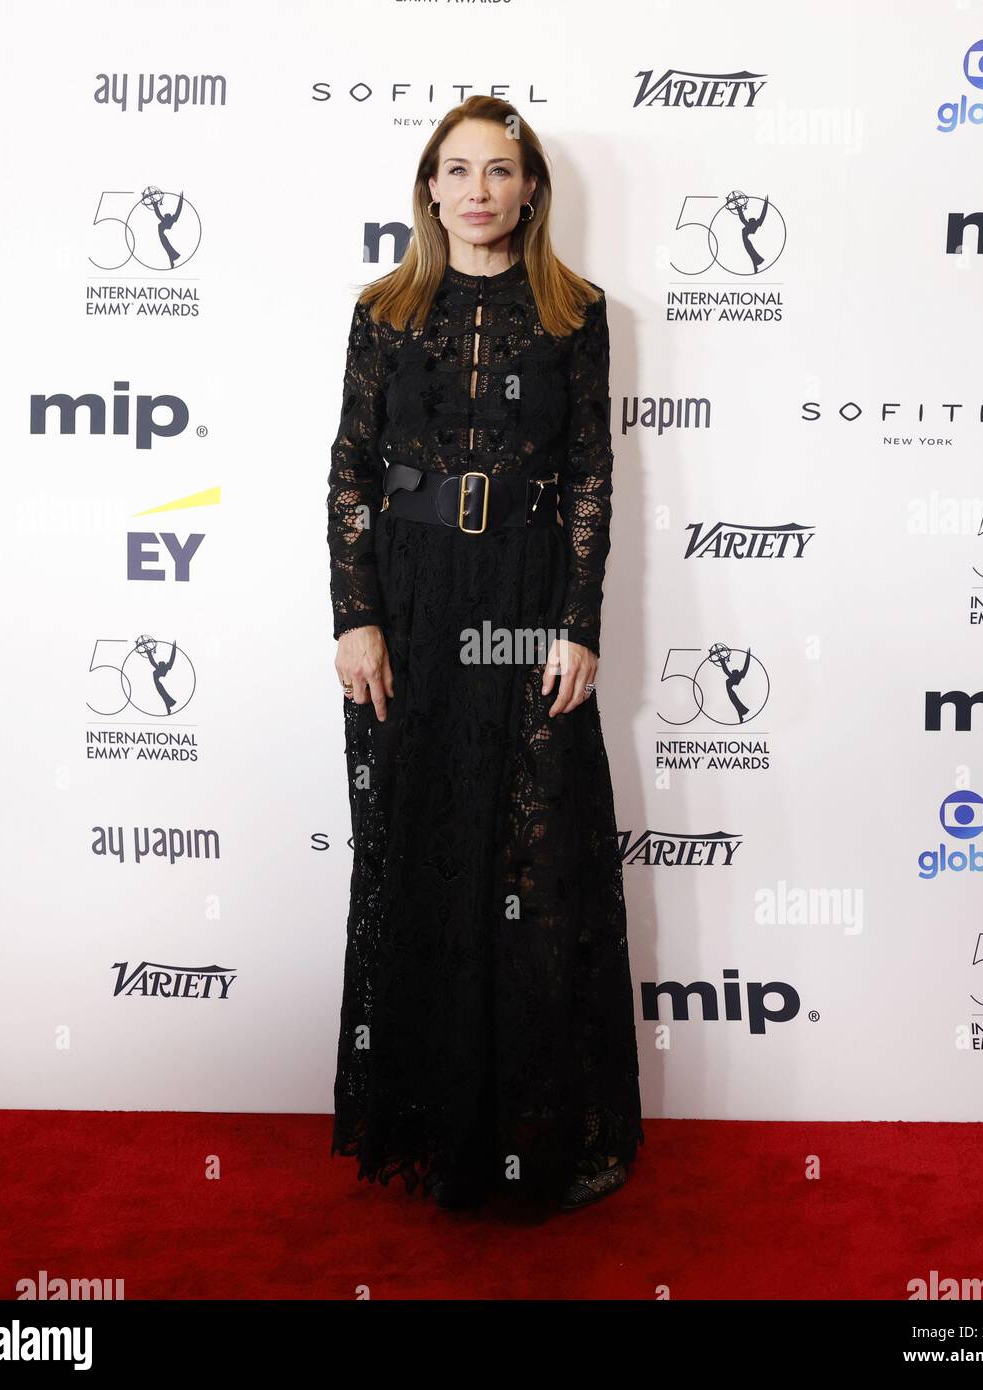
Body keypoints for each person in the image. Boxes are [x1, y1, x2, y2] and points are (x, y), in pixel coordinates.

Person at [327, 95, 643, 1212]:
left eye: (499, 170)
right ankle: (429, 1123)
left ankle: (535, 1135)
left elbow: (593, 477)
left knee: (533, 856)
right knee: (420, 846)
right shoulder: (384, 310)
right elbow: (351, 471)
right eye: (456, 170)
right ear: (428, 190)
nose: (477, 190)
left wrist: (580, 622)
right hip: (410, 602)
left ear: (529, 189)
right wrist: (353, 614)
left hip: (520, 595)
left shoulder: (575, 313)